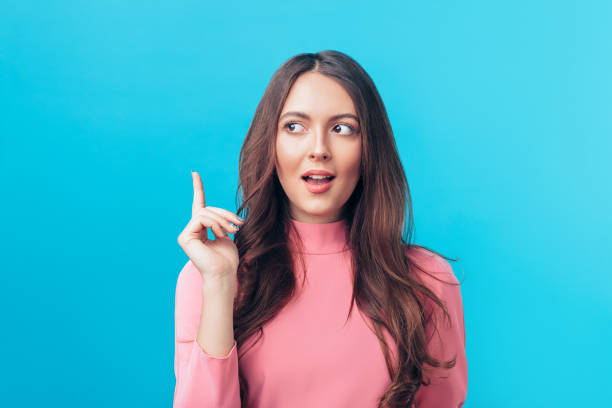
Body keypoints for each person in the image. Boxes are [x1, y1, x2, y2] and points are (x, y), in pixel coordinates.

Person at [174, 50, 467, 408]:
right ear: (271, 143)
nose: (318, 149)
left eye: (342, 128)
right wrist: (219, 284)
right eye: (295, 126)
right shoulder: (209, 278)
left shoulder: (428, 278)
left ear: (369, 148)